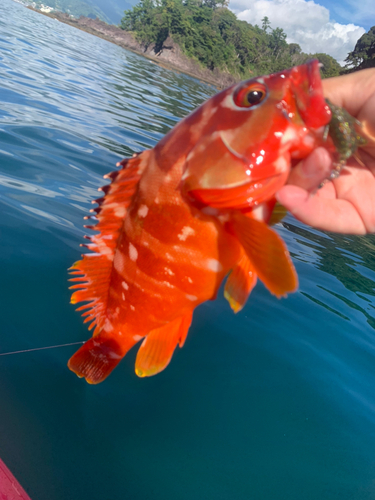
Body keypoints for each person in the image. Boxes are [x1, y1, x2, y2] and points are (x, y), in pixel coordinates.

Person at [276, 68, 375, 235]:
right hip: (349, 145)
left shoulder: (330, 114)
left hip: (347, 145)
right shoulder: (340, 113)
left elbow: (329, 129)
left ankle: (329, 172)